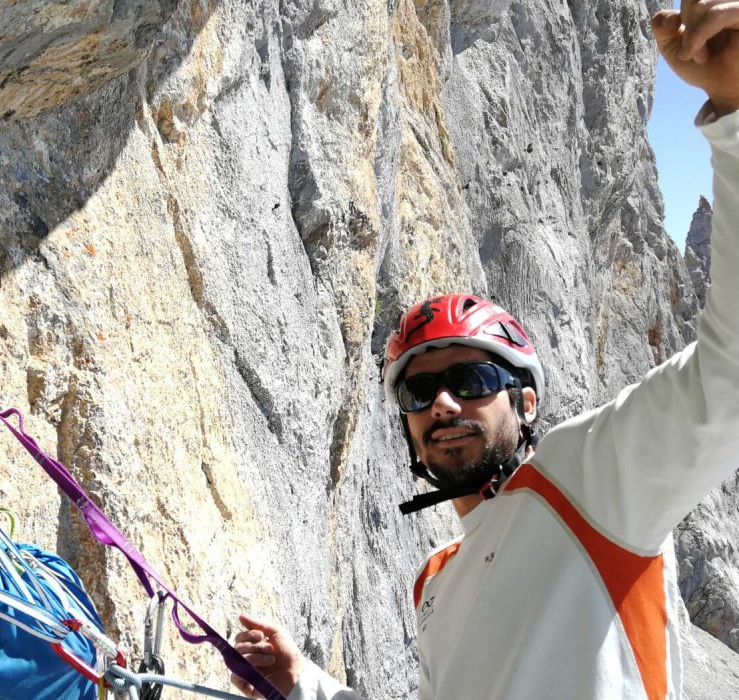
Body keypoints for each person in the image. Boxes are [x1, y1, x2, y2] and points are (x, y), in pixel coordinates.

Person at [231, 3, 739, 698]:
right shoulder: (434, 580)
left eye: (470, 378)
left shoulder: (590, 483)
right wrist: (308, 685)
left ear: (525, 401)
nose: (441, 403)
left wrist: (735, 113)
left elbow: (729, 375)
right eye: (418, 391)